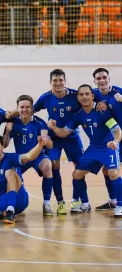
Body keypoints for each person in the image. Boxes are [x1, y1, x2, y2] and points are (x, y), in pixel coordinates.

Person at [48, 84, 122, 217]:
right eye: (81, 95)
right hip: (93, 149)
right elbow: (64, 132)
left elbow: (117, 130)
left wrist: (115, 142)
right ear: (78, 97)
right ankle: (85, 204)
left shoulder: (103, 111)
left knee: (113, 172)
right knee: (76, 174)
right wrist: (53, 128)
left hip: (108, 147)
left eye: (87, 94)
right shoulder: (78, 116)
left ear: (92, 96)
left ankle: (120, 205)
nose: (84, 97)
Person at [32, 69, 83, 214]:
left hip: (72, 137)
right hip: (53, 138)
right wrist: (11, 114)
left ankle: (76, 200)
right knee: (54, 166)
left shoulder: (75, 95)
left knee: (79, 167)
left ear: (65, 82)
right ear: (50, 83)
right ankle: (60, 202)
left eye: (61, 80)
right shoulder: (46, 97)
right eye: (55, 80)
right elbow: (30, 110)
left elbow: (89, 102)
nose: (58, 83)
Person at [3, 95, 55, 216]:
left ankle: (46, 204)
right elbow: (4, 144)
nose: (24, 110)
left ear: (32, 108)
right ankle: (12, 205)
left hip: (37, 156)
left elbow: (51, 146)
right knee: (11, 175)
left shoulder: (40, 123)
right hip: (21, 157)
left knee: (47, 166)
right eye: (22, 107)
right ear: (17, 108)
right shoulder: (12, 123)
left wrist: (45, 140)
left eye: (27, 107)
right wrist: (7, 132)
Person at [92, 68, 122, 211]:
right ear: (94, 81)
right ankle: (114, 200)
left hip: (119, 135)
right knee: (107, 170)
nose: (102, 80)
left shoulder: (118, 92)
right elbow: (82, 99)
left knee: (112, 170)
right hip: (113, 138)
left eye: (104, 77)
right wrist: (95, 104)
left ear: (109, 78)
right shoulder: (95, 94)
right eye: (98, 78)